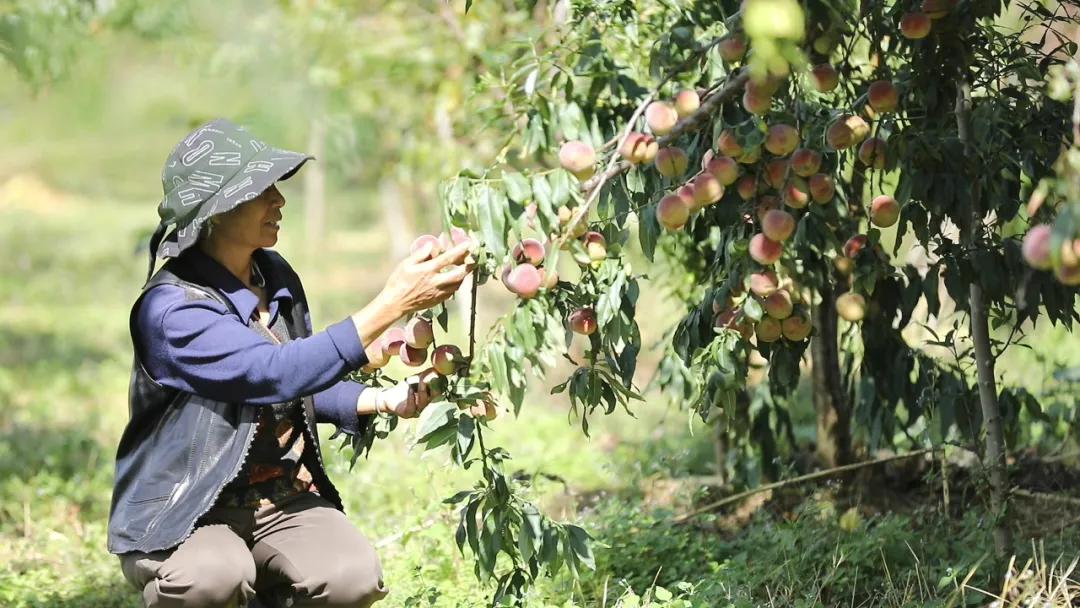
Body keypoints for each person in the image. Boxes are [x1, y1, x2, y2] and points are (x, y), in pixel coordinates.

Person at [108, 118, 472, 607]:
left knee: (350, 577)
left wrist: (381, 398)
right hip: (187, 509)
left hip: (277, 497)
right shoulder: (172, 310)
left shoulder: (273, 275)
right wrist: (394, 303)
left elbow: (287, 383)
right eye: (261, 190)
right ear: (216, 211)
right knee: (214, 577)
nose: (278, 200)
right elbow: (271, 373)